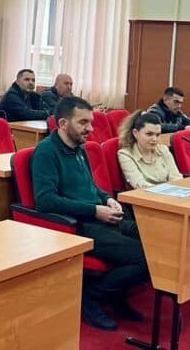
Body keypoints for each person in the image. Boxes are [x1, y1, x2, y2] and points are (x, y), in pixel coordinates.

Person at [32, 96, 148, 331]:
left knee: (155, 241)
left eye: (91, 122)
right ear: (63, 124)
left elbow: (91, 187)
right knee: (145, 258)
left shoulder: (79, 148)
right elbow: (46, 201)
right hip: (79, 225)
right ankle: (92, 297)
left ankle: (115, 295)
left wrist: (107, 199)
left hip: (101, 216)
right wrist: (94, 210)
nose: (91, 129)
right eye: (83, 122)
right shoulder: (46, 152)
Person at [117, 110, 190, 301]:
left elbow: (177, 179)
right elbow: (139, 185)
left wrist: (171, 191)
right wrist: (168, 190)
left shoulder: (163, 150)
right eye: (149, 134)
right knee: (188, 231)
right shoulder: (125, 154)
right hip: (146, 208)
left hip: (173, 201)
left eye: (157, 134)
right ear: (135, 133)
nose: (154, 139)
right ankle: (181, 282)